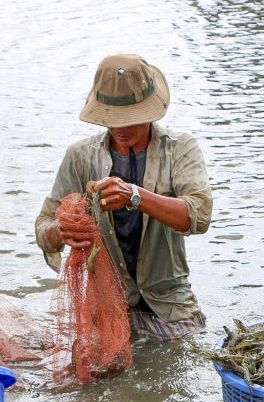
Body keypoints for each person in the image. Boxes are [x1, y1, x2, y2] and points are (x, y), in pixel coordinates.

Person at [35, 54, 212, 340]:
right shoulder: (80, 157)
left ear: (150, 111)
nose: (121, 128)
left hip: (170, 306)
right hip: (104, 307)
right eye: (113, 119)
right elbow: (43, 229)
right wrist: (61, 230)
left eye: (131, 119)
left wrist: (135, 195)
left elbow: (199, 216)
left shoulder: (180, 149)